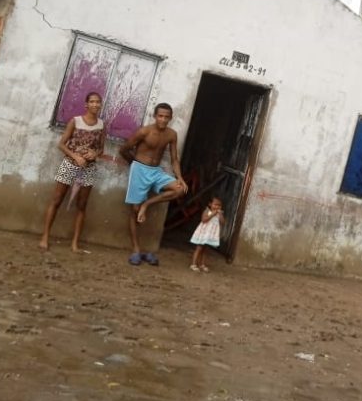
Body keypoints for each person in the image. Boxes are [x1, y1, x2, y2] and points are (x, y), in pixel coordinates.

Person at [119, 102, 188, 266]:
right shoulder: (144, 131)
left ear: (170, 118)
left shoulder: (171, 134)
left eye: (166, 117)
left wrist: (180, 177)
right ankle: (136, 249)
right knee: (134, 210)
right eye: (160, 116)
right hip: (139, 169)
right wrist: (134, 165)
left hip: (156, 171)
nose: (163, 120)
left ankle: (147, 204)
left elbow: (174, 159)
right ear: (155, 116)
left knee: (179, 190)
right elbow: (124, 149)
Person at [40, 92, 105, 253]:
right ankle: (45, 237)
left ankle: (75, 243)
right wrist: (75, 156)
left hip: (88, 169)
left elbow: (101, 148)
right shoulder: (75, 121)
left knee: (82, 205)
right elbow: (61, 144)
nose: (95, 105)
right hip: (69, 165)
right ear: (86, 104)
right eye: (92, 102)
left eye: (98, 102)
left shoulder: (102, 125)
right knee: (56, 200)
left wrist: (94, 154)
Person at [190, 197, 225, 271]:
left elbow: (222, 222)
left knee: (205, 250)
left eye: (219, 205)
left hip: (210, 235)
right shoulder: (207, 211)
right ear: (210, 204)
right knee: (199, 248)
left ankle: (202, 264)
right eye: (215, 204)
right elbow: (203, 220)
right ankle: (193, 264)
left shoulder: (219, 214)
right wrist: (212, 214)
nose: (217, 207)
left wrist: (220, 215)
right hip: (203, 234)